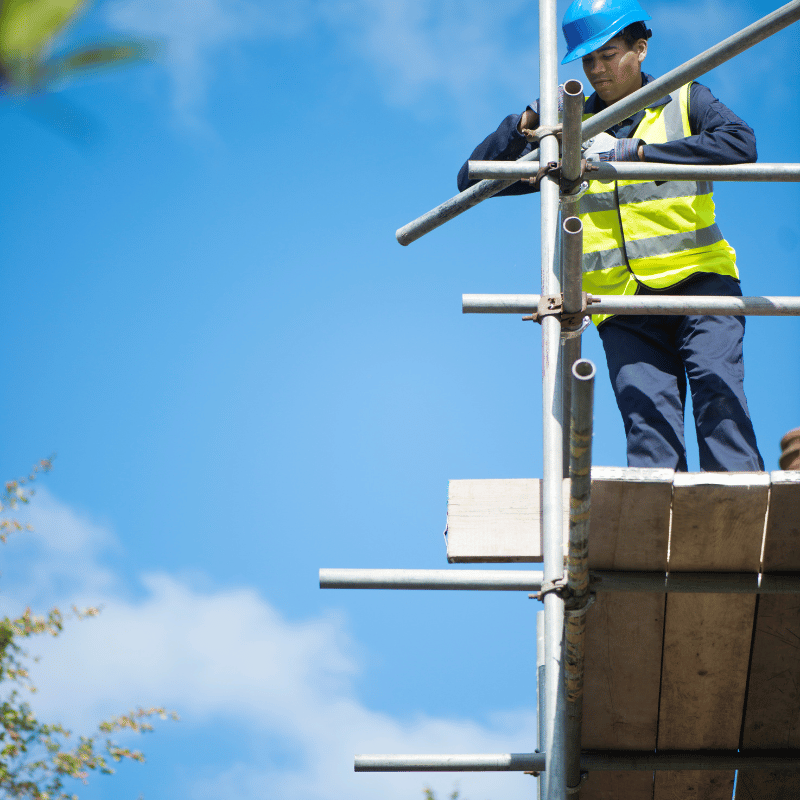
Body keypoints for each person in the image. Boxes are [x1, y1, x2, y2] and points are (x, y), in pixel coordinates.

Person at [457, 0, 764, 472]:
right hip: (620, 303)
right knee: (649, 424)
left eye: (609, 54)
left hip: (701, 282)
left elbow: (740, 144)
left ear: (640, 49)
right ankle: (660, 530)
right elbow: (473, 182)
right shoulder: (568, 131)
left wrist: (637, 151)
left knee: (716, 389)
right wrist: (529, 121)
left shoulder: (684, 98)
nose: (597, 69)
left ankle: (739, 508)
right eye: (588, 59)